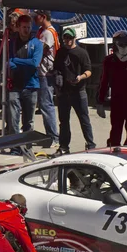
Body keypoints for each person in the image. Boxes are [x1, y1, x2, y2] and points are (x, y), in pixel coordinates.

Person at [52, 27, 96, 156]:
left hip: (79, 91)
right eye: (65, 38)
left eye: (70, 38)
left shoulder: (81, 53)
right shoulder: (60, 52)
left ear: (74, 38)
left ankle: (91, 145)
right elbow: (56, 68)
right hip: (64, 92)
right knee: (64, 121)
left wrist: (80, 77)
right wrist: (57, 77)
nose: (67, 40)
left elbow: (89, 71)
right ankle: (64, 146)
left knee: (84, 119)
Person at [8, 14, 44, 155]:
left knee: (28, 120)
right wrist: (16, 62)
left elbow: (35, 63)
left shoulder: (37, 43)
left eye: (28, 27)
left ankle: (27, 147)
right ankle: (15, 147)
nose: (26, 30)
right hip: (15, 86)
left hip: (31, 85)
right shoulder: (12, 42)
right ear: (18, 27)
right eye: (23, 27)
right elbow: (9, 62)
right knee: (13, 119)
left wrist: (16, 61)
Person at [34, 10, 60, 147]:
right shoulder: (42, 31)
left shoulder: (48, 33)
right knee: (44, 104)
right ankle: (51, 135)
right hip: (42, 73)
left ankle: (53, 137)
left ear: (43, 17)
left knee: (46, 105)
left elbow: (40, 49)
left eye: (36, 15)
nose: (34, 18)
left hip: (46, 73)